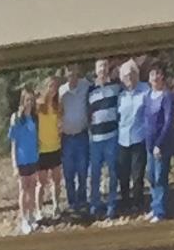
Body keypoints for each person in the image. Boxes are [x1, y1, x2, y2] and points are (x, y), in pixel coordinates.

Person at [113, 56, 153, 218]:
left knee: (137, 175)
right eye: (125, 76)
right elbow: (117, 116)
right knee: (123, 174)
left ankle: (138, 203)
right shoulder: (121, 95)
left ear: (137, 75)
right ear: (122, 79)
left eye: (131, 74)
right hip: (123, 140)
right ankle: (125, 202)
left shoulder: (146, 91)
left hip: (139, 139)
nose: (128, 78)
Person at [84, 55, 122, 219]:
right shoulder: (90, 90)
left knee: (113, 172)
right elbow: (88, 113)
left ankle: (112, 204)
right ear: (95, 70)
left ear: (108, 69)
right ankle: (95, 204)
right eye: (100, 66)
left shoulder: (116, 87)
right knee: (95, 174)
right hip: (96, 140)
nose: (103, 69)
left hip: (112, 137)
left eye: (105, 66)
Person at [57, 59, 93, 219]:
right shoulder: (61, 91)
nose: (72, 76)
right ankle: (72, 203)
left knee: (83, 171)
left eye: (75, 72)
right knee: (69, 172)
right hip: (66, 138)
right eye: (69, 73)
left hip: (82, 135)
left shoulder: (86, 85)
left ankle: (82, 201)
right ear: (65, 74)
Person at [142, 56, 174, 219]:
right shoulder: (148, 95)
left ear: (162, 76)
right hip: (149, 144)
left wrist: (159, 144)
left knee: (160, 177)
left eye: (157, 74)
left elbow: (168, 121)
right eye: (152, 75)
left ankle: (160, 211)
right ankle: (154, 206)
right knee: (150, 176)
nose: (154, 78)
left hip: (161, 145)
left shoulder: (167, 96)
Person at [6, 84, 44, 230]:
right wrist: (15, 163)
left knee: (33, 187)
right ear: (22, 101)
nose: (29, 103)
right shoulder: (16, 118)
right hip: (21, 160)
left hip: (33, 158)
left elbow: (35, 138)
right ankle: (24, 219)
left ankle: (31, 214)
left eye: (31, 100)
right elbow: (14, 143)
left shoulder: (34, 117)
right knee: (24, 189)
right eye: (27, 100)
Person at [33, 74, 64, 224]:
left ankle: (56, 206)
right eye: (51, 86)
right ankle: (38, 211)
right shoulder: (38, 106)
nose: (53, 90)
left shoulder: (57, 105)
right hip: (41, 150)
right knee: (41, 183)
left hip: (55, 147)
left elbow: (59, 124)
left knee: (56, 181)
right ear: (46, 87)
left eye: (56, 87)